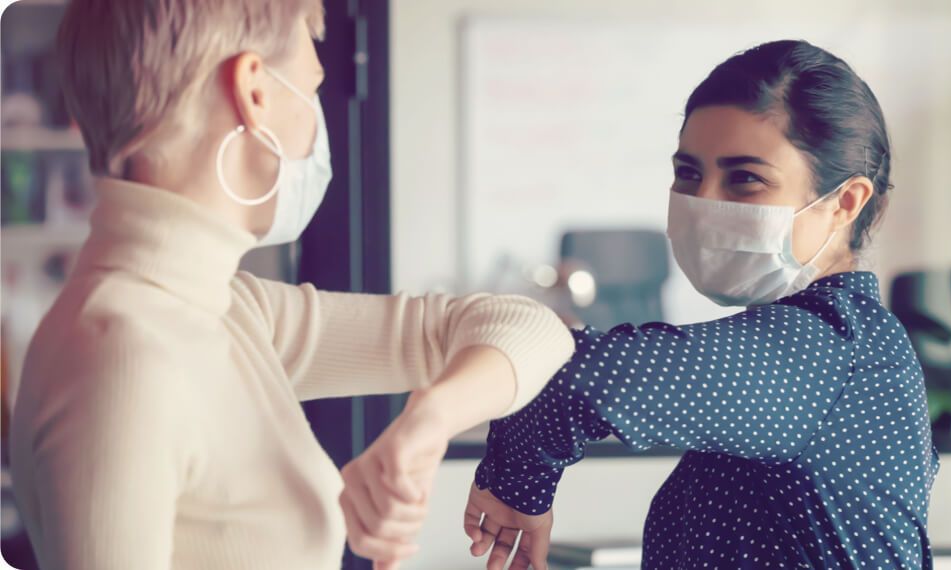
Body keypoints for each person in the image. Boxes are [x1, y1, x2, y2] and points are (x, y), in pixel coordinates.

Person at [8, 1, 575, 569]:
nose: (315, 121)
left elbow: (532, 327)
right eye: (312, 88)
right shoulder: (122, 353)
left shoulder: (226, 309)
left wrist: (427, 421)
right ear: (254, 92)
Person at [460, 40, 939, 569]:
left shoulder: (828, 346)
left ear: (845, 204)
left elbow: (576, 379)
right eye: (689, 173)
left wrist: (515, 487)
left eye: (746, 179)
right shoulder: (834, 350)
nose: (705, 202)